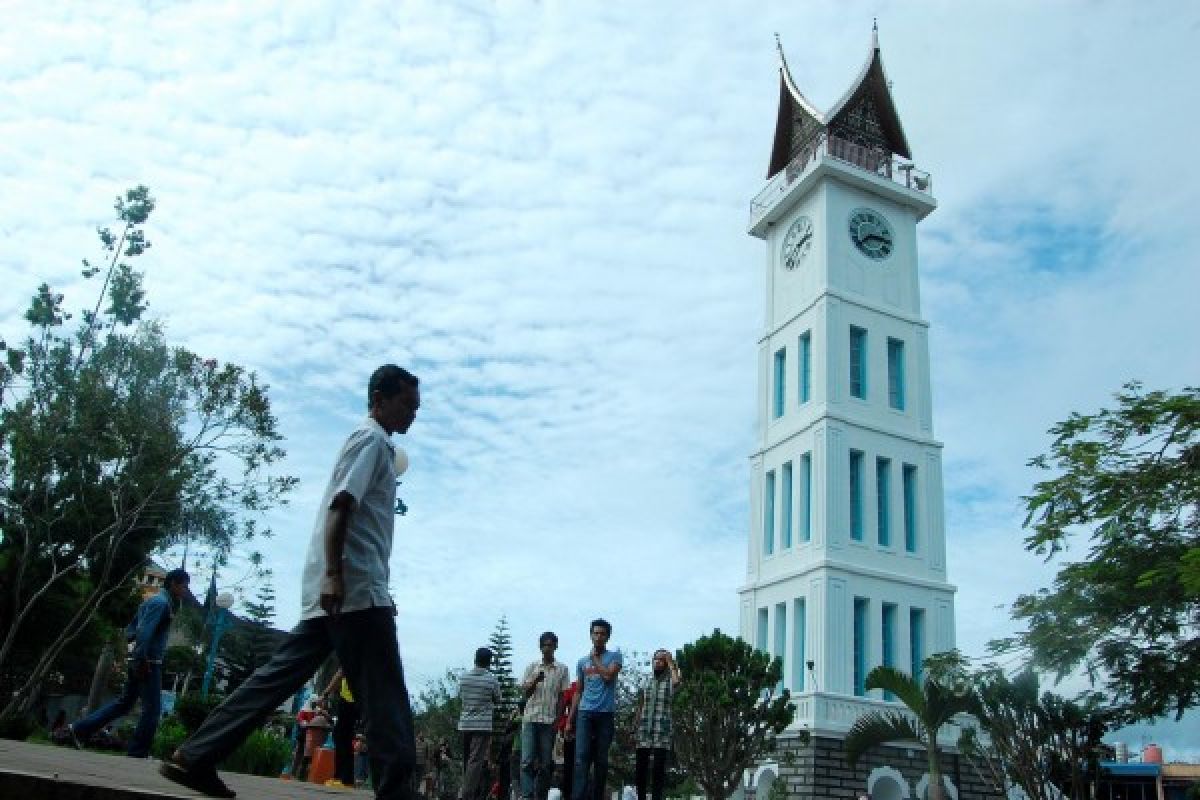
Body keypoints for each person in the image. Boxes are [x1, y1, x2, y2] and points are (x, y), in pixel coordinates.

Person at [159, 365, 422, 799]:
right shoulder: (372, 440)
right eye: (406, 404)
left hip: (338, 594)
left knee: (274, 678)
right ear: (379, 398)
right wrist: (337, 576)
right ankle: (398, 792)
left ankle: (196, 755)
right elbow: (342, 506)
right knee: (387, 699)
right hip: (355, 594)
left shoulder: (372, 442)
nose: (412, 414)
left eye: (416, 407)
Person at [61, 568, 190, 757]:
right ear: (173, 584)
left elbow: (131, 630)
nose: (185, 591)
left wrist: (133, 654)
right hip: (148, 662)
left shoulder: (154, 601)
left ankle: (78, 730)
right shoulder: (161, 603)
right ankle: (138, 753)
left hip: (140, 659)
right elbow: (144, 633)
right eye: (184, 586)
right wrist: (141, 659)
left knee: (124, 704)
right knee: (152, 710)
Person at [566, 619, 622, 800]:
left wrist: (596, 659)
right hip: (585, 713)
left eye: (602, 634)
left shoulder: (615, 656)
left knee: (601, 760)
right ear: (591, 635)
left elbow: (607, 676)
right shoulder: (582, 662)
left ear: (608, 636)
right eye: (595, 633)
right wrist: (569, 720)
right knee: (581, 758)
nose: (598, 637)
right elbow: (578, 691)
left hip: (605, 714)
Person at [519, 632, 570, 800]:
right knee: (526, 761)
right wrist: (535, 680)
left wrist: (558, 719)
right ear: (540, 647)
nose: (547, 648)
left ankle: (541, 795)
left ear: (556, 646)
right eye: (544, 645)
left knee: (546, 764)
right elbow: (525, 694)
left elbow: (563, 696)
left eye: (550, 645)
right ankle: (527, 796)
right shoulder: (531, 667)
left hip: (549, 721)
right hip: (530, 718)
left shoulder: (562, 669)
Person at [633, 650, 681, 800]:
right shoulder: (646, 680)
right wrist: (633, 728)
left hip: (662, 730)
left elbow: (677, 682)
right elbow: (641, 705)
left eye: (662, 660)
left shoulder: (670, 681)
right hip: (644, 728)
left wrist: (671, 663)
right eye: (656, 659)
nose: (658, 662)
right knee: (641, 768)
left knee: (658, 770)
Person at [458, 647, 502, 800]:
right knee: (475, 761)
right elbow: (498, 699)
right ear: (489, 662)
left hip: (465, 724)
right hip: (482, 725)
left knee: (466, 760)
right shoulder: (491, 679)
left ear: (475, 659)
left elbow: (461, 697)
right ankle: (467, 794)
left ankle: (467, 790)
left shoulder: (463, 678)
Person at [323, 667, 360, 788]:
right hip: (357, 702)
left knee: (340, 738)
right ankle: (347, 779)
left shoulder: (350, 655)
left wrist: (325, 694)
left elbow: (339, 674)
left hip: (347, 701)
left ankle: (340, 778)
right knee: (346, 739)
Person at [555, 680, 579, 798]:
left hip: (587, 733)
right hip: (571, 732)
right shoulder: (572, 688)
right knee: (569, 765)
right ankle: (567, 794)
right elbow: (563, 707)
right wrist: (563, 725)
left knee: (580, 766)